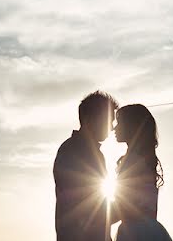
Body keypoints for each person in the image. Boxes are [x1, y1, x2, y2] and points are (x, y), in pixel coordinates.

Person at [54, 91, 119, 241]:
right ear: (90, 119)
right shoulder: (73, 152)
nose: (112, 127)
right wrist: (127, 208)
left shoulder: (88, 152)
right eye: (108, 121)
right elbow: (87, 207)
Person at [111, 104, 171, 241]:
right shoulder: (144, 159)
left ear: (132, 126)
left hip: (135, 233)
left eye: (119, 123)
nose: (115, 127)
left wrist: (96, 219)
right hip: (151, 230)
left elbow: (124, 205)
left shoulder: (133, 162)